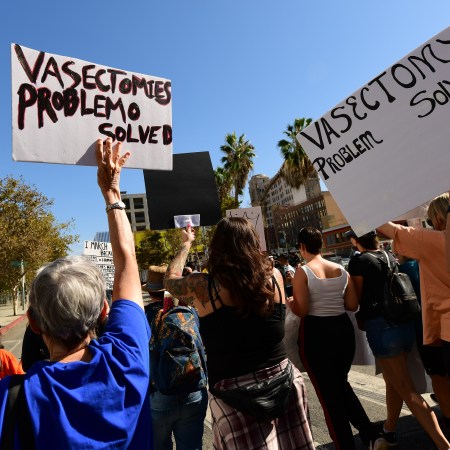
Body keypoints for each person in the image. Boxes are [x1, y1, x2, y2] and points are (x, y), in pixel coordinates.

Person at [0, 138, 152, 448]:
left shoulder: (10, 401)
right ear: (104, 312)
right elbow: (127, 262)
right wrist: (111, 192)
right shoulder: (128, 358)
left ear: (33, 321)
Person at [164, 217, 314, 449]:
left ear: (217, 247)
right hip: (285, 382)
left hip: (234, 397)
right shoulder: (274, 276)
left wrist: (186, 244)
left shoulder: (204, 286)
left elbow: (170, 280)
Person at [348, 227, 450, 450]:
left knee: (406, 388)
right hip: (404, 325)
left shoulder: (359, 261)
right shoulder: (388, 255)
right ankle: (390, 430)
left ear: (356, 241)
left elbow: (352, 302)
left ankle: (443, 444)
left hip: (382, 329)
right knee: (393, 383)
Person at [290, 227, 384, 450]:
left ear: (302, 247)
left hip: (317, 333)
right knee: (340, 385)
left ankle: (346, 444)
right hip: (342, 330)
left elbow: (302, 310)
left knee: (329, 395)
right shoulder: (341, 269)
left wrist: (290, 302)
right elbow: (352, 305)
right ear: (321, 244)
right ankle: (371, 434)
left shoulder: (303, 272)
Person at [377, 192, 450, 442]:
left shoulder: (434, 240)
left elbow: (386, 229)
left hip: (446, 327)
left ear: (438, 217)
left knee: (441, 377)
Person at [145, 264, 208, 450]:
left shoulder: (144, 316)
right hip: (193, 390)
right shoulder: (191, 313)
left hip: (159, 395)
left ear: (150, 291)